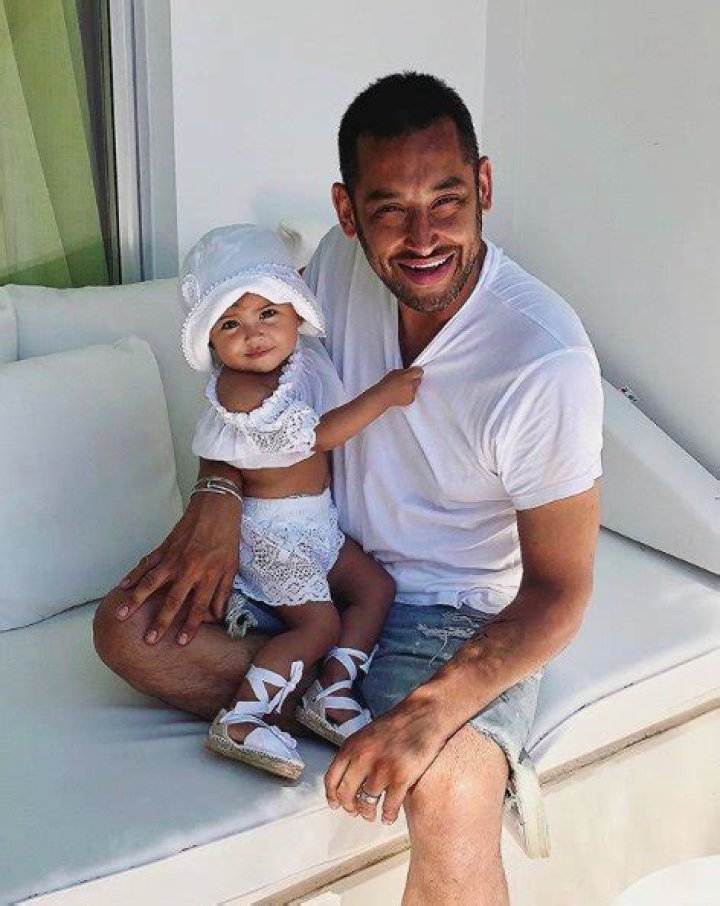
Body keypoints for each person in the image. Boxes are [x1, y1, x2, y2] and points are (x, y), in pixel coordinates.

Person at [94, 72, 603, 905]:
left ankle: (440, 734)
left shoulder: (542, 358)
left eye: (446, 200)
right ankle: (341, 698)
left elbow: (561, 590)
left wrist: (433, 711)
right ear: (345, 211)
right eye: (389, 209)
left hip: (453, 614)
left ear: (483, 186)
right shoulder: (330, 270)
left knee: (450, 793)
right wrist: (218, 492)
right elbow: (257, 393)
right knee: (130, 631)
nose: (423, 236)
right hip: (324, 563)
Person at [179, 223, 421, 778]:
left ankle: (332, 690)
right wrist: (384, 395)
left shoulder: (300, 360)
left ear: (296, 310)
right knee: (317, 627)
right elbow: (318, 436)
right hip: (273, 537)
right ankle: (243, 716)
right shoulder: (240, 391)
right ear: (211, 341)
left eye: (268, 313)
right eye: (230, 324)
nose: (254, 334)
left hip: (317, 524)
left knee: (375, 587)